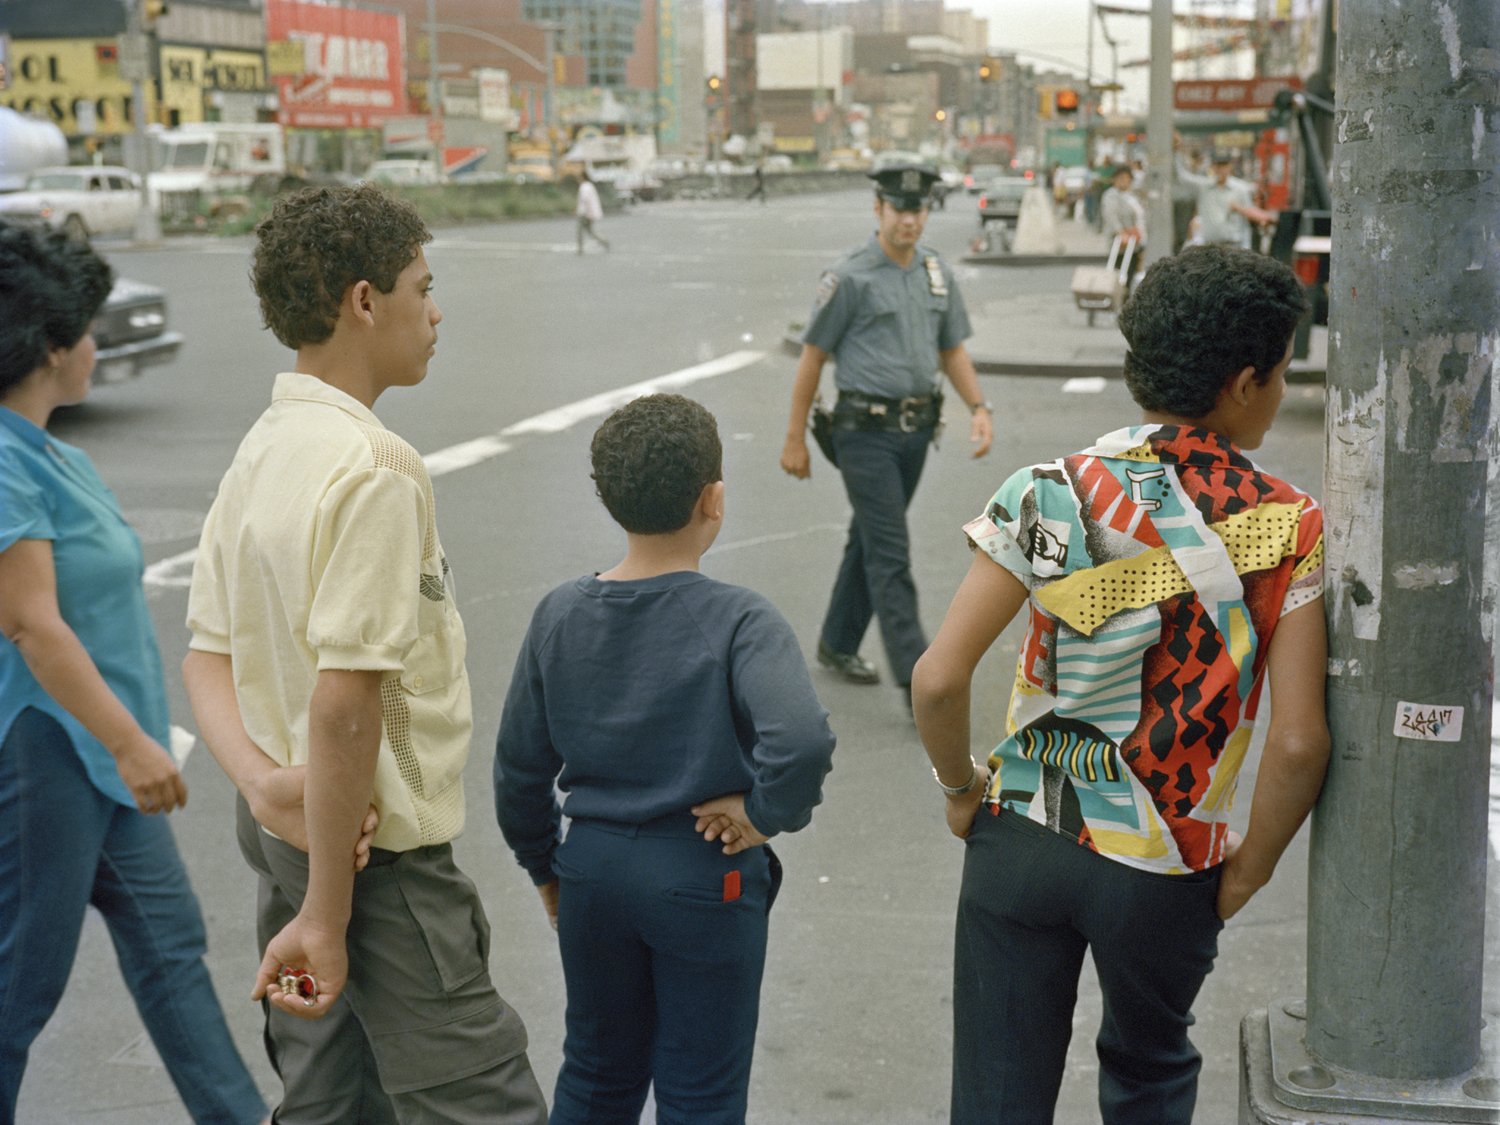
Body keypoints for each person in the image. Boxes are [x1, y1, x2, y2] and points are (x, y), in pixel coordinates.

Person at [912, 245, 1331, 1125]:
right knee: (1148, 1074)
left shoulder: (1049, 490)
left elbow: (940, 677)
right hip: (1165, 861)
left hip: (1024, 827)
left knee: (994, 1093)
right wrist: (1245, 869)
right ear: (1246, 382)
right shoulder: (1290, 524)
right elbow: (1298, 743)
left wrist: (961, 791)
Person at [182, 184, 548, 1124]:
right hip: (372, 865)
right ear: (363, 300)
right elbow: (347, 705)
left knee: (327, 1100)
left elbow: (204, 656)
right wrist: (330, 919)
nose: (436, 309)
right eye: (421, 286)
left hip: (284, 834)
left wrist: (261, 781)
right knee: (484, 1103)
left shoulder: (264, 447)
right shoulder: (375, 468)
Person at [496, 393, 835, 1125]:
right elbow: (801, 739)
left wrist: (546, 867)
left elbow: (518, 770)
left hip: (592, 869)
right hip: (701, 872)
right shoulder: (740, 617)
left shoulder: (558, 612)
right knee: (700, 1094)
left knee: (594, 1073)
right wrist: (764, 813)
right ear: (713, 499)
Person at [0, 221, 270, 1125]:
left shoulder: (56, 455)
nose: (95, 344)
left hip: (108, 755)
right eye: (86, 329)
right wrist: (129, 743)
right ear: (49, 346)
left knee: (171, 951)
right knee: (16, 989)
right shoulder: (3, 462)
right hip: (50, 750)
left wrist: (129, 744)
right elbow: (33, 626)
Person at [780, 163, 993, 705]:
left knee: (871, 539)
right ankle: (921, 683)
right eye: (900, 209)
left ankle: (836, 641)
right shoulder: (849, 276)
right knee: (890, 551)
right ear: (878, 210)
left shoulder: (934, 272)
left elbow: (951, 351)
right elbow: (813, 355)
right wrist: (794, 436)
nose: (910, 220)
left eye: (918, 210)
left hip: (916, 432)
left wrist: (978, 407)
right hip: (862, 434)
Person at [1178, 149, 1277, 250]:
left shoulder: (1240, 189)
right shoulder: (1204, 187)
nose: (1220, 169)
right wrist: (1175, 150)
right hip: (1210, 246)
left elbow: (1249, 210)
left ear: (1230, 166)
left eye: (1223, 165)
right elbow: (1182, 176)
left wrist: (1265, 217)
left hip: (1234, 245)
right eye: (1217, 165)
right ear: (1213, 167)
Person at [1099, 163, 1145, 290]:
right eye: (1121, 178)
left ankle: (1127, 297)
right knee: (1121, 273)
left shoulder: (1132, 196)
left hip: (1135, 240)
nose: (1124, 182)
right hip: (1121, 243)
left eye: (1127, 178)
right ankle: (1120, 299)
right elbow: (1110, 215)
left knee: (1133, 272)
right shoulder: (1111, 195)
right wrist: (1120, 232)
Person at [575, 168, 610, 254]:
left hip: (585, 213)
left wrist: (586, 212)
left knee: (580, 230)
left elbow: (586, 200)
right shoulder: (589, 186)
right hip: (589, 212)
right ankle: (604, 241)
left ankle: (580, 248)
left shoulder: (584, 187)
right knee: (590, 231)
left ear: (582, 177)